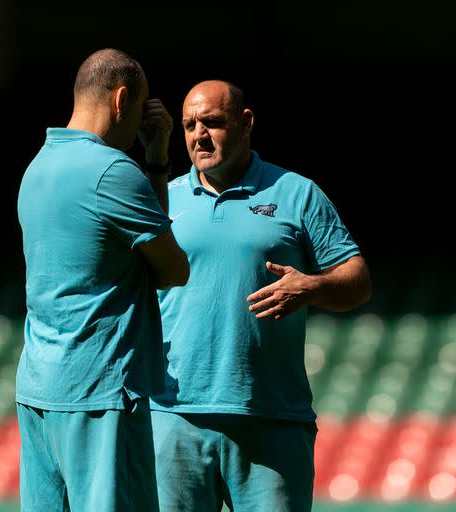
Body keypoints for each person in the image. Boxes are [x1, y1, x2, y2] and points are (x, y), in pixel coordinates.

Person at [151, 80, 372, 511]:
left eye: (213, 122)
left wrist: (313, 286)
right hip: (173, 416)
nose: (200, 134)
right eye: (190, 125)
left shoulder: (297, 192)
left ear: (246, 122)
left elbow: (358, 280)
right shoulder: (164, 198)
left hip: (271, 416)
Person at [16, 48, 189, 511]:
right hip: (100, 392)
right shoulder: (113, 170)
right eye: (141, 106)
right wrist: (156, 159)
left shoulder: (36, 168)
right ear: (122, 99)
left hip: (38, 390)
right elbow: (173, 270)